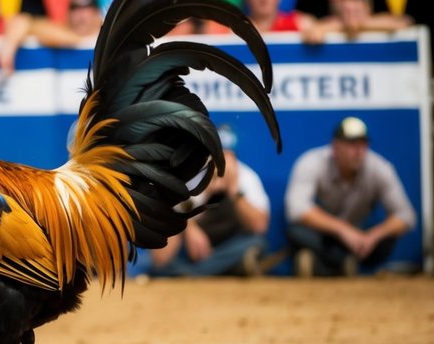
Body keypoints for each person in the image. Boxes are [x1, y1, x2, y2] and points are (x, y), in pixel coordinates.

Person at [285, 116, 417, 277]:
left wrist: (373, 236)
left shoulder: (380, 168)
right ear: (335, 147)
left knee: (386, 240)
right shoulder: (311, 162)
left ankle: (328, 264)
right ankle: (344, 263)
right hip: (323, 234)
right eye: (351, 144)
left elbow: (406, 215)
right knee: (297, 231)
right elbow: (296, 209)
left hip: (360, 236)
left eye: (363, 144)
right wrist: (342, 230)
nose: (358, 151)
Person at [149, 124, 272, 278]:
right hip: (198, 249)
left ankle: (196, 273)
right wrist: (191, 225)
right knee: (163, 244)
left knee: (256, 243)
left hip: (230, 245)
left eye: (227, 156)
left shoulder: (247, 177)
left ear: (234, 158)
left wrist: (234, 191)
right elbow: (160, 256)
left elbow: (259, 227)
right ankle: (216, 269)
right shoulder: (192, 174)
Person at [0, 0, 103, 74]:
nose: (81, 15)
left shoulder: (108, 35)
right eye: (75, 9)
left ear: (97, 14)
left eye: (86, 9)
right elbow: (23, 21)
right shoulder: (61, 32)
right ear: (68, 15)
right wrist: (8, 46)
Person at [304, 0, 414, 43]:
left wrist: (361, 24)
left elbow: (405, 23)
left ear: (367, 7)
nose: (350, 7)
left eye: (357, 1)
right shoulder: (325, 23)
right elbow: (313, 33)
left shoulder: (386, 21)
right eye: (345, 3)